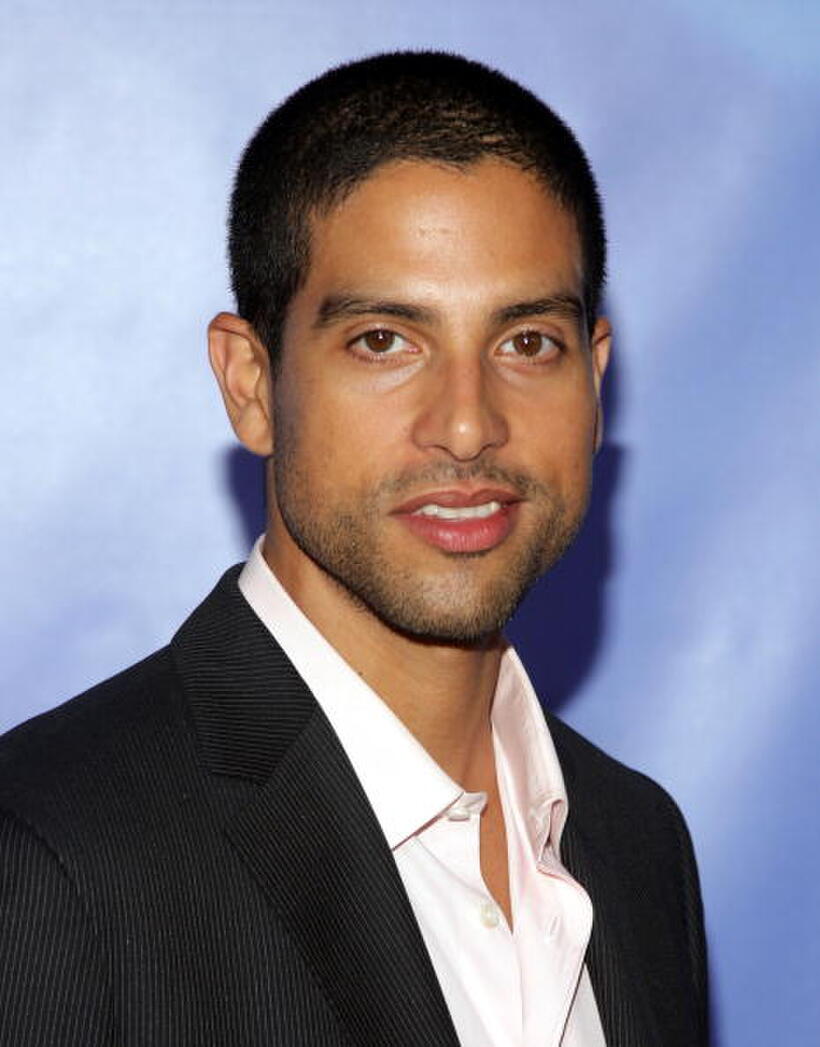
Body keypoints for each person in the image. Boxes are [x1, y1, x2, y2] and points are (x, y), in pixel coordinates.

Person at [0, 52, 708, 1047]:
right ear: (251, 383)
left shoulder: (637, 844)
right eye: (383, 340)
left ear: (594, 380)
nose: (466, 426)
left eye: (525, 343)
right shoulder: (46, 854)